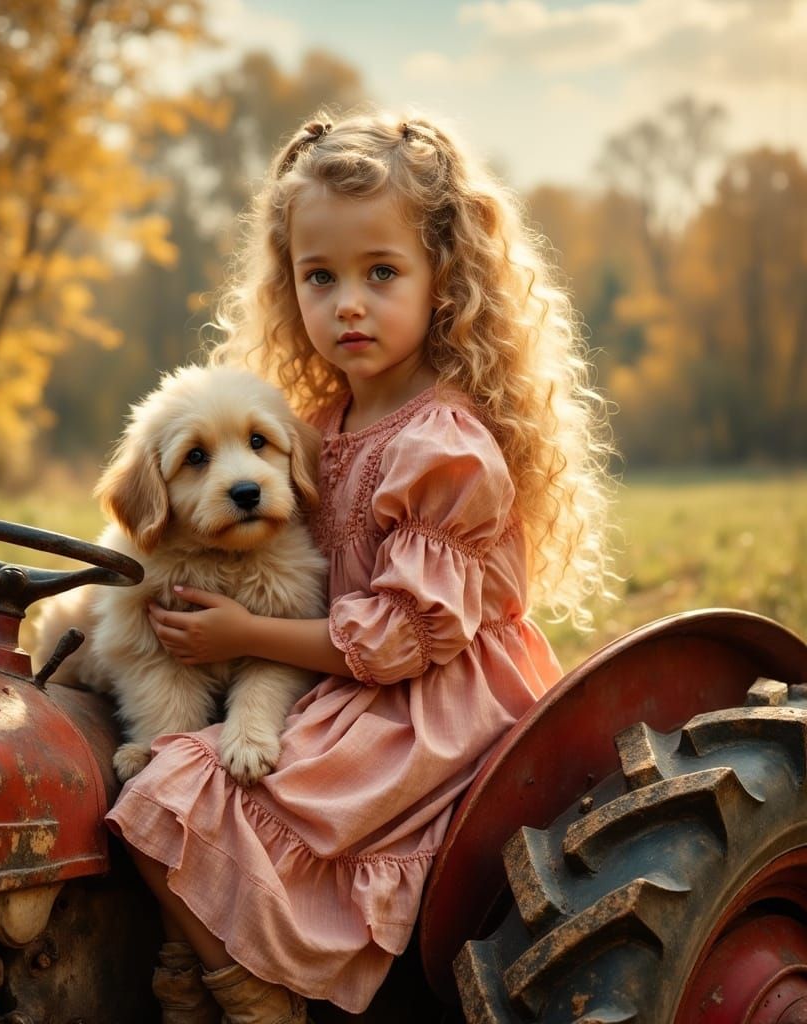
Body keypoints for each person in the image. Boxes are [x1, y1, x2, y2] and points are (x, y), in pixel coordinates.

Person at [105, 110, 615, 1022]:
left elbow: (403, 636)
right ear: (289, 285)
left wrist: (244, 634)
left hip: (424, 705)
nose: (348, 302)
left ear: (444, 281)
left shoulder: (442, 445)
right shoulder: (316, 425)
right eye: (319, 275)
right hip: (337, 676)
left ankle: (253, 990)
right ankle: (198, 954)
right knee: (151, 763)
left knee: (171, 796)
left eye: (381, 273)